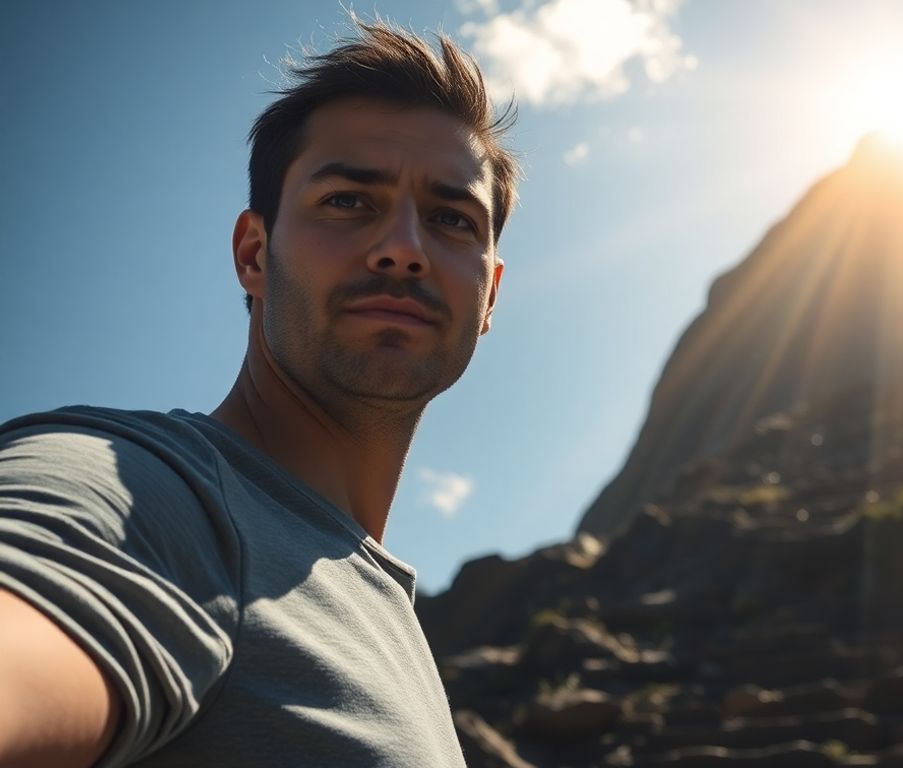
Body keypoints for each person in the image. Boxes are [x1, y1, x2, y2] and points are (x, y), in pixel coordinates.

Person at [0, 17, 518, 767]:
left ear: (490, 294)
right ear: (253, 253)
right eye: (348, 201)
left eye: (451, 219)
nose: (404, 247)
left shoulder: (374, 605)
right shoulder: (154, 493)